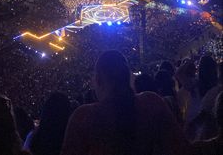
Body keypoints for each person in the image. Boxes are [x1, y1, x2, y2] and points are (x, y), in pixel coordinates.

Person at [61, 50, 191, 155]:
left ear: (99, 80)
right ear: (128, 77)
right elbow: (180, 147)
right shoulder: (151, 103)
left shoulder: (83, 117)